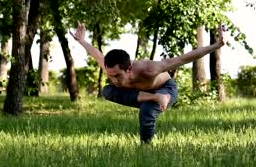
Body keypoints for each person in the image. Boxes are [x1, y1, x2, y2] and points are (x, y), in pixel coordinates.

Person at [70, 22, 225, 143]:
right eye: (111, 76)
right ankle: (153, 98)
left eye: (117, 76)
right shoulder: (110, 67)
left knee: (147, 111)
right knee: (107, 91)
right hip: (146, 94)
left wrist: (216, 45)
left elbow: (183, 58)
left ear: (129, 68)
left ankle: (146, 147)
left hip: (165, 90)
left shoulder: (149, 69)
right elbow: (95, 52)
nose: (114, 80)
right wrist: (82, 40)